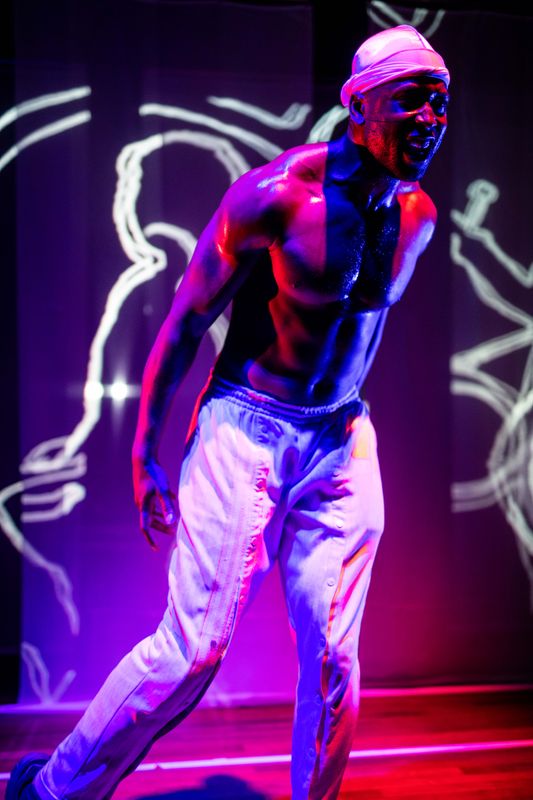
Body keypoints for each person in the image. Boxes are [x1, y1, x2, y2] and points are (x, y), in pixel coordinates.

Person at [7, 23, 450, 800]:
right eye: (410, 100)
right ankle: (49, 789)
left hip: (341, 434)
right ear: (357, 106)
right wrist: (145, 454)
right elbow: (184, 324)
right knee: (192, 653)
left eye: (440, 103)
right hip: (246, 427)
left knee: (334, 658)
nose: (429, 119)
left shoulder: (416, 214)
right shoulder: (275, 197)